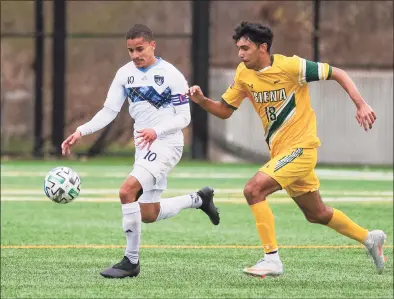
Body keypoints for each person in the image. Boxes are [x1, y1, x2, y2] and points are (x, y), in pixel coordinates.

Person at [187, 21, 386, 277]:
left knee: (253, 189)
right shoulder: (243, 74)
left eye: (245, 48)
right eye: (238, 48)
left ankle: (271, 259)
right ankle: (370, 238)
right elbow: (225, 111)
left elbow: (338, 73)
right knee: (317, 213)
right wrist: (202, 101)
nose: (240, 54)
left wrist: (361, 104)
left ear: (263, 48)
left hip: (301, 149)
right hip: (282, 155)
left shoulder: (291, 67)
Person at [61, 24, 220, 279]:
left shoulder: (172, 75)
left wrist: (157, 131)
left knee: (127, 191)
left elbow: (184, 118)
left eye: (140, 49)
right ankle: (199, 199)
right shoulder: (124, 74)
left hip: (167, 144)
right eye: (130, 50)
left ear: (153, 45)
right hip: (144, 146)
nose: (135, 55)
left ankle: (130, 262)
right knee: (148, 214)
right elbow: (109, 111)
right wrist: (81, 130)